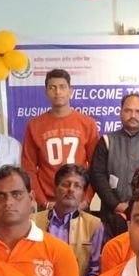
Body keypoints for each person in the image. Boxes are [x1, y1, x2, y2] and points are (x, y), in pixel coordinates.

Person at [21, 68, 100, 208]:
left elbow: (96, 167)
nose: (58, 92)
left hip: (78, 200)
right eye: (52, 87)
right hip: (48, 201)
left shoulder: (88, 124)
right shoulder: (34, 125)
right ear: (46, 92)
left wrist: (86, 200)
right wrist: (43, 202)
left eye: (62, 87)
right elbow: (29, 168)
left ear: (70, 91)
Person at [89, 93, 139, 236]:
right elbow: (97, 176)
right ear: (120, 112)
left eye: (138, 111)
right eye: (128, 110)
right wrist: (116, 205)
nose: (133, 115)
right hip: (110, 215)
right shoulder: (106, 142)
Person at [33, 164, 106, 276]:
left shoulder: (94, 225)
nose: (71, 189)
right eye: (66, 184)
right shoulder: (34, 222)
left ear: (83, 194)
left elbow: (95, 272)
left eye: (78, 186)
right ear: (55, 188)